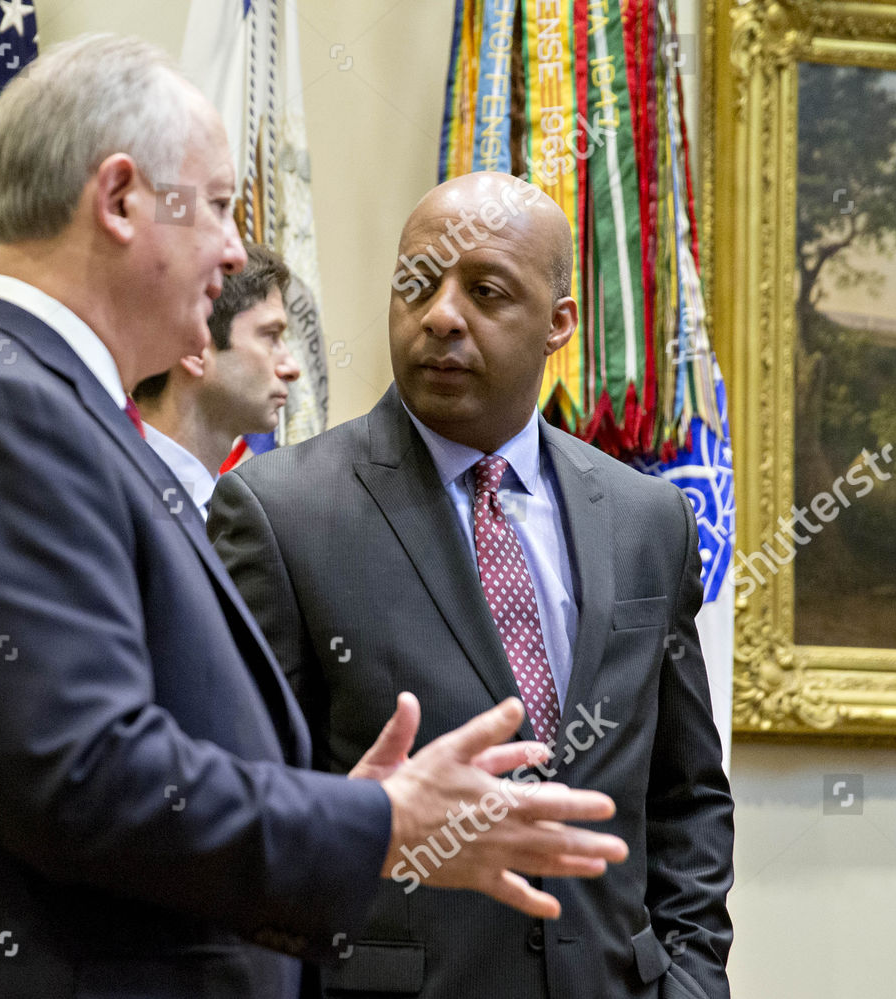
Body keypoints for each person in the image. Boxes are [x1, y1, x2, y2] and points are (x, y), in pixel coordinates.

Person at [0, 38, 628, 999]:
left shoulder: (53, 408)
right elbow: (81, 776)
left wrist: (352, 809)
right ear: (122, 200)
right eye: (214, 205)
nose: (236, 250)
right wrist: (377, 824)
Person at [209, 171, 735, 999]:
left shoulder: (647, 519)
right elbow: (238, 813)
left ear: (560, 323)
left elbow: (687, 793)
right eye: (418, 284)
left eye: (485, 291)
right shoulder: (280, 514)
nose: (441, 315)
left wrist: (693, 980)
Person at [131, 240, 300, 519]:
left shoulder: (231, 508)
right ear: (193, 347)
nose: (292, 368)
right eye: (271, 336)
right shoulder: (117, 497)